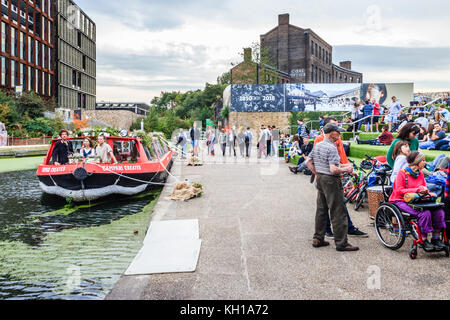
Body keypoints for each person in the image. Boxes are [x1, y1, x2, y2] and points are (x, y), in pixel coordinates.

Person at [306, 123, 360, 252]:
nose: (340, 135)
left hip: (321, 179)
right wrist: (347, 169)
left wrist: (317, 173)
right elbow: (334, 169)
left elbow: (308, 161)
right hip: (331, 180)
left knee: (321, 210)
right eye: (338, 132)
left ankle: (318, 238)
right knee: (338, 212)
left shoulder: (318, 145)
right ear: (332, 133)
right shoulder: (331, 147)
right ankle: (341, 243)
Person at [313, 117, 368, 238]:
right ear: (328, 129)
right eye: (334, 126)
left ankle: (334, 231)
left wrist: (347, 167)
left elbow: (341, 156)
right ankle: (338, 233)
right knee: (332, 205)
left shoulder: (336, 139)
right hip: (330, 175)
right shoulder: (320, 140)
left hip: (335, 173)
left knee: (332, 204)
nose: (337, 129)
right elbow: (320, 160)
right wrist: (319, 174)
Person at [389, 151, 447, 251]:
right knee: (424, 213)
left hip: (417, 199)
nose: (425, 162)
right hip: (400, 200)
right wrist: (417, 190)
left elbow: (424, 187)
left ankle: (435, 238)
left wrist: (428, 192)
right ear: (416, 162)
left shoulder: (419, 174)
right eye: (423, 160)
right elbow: (398, 190)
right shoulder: (402, 173)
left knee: (439, 211)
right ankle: (424, 240)